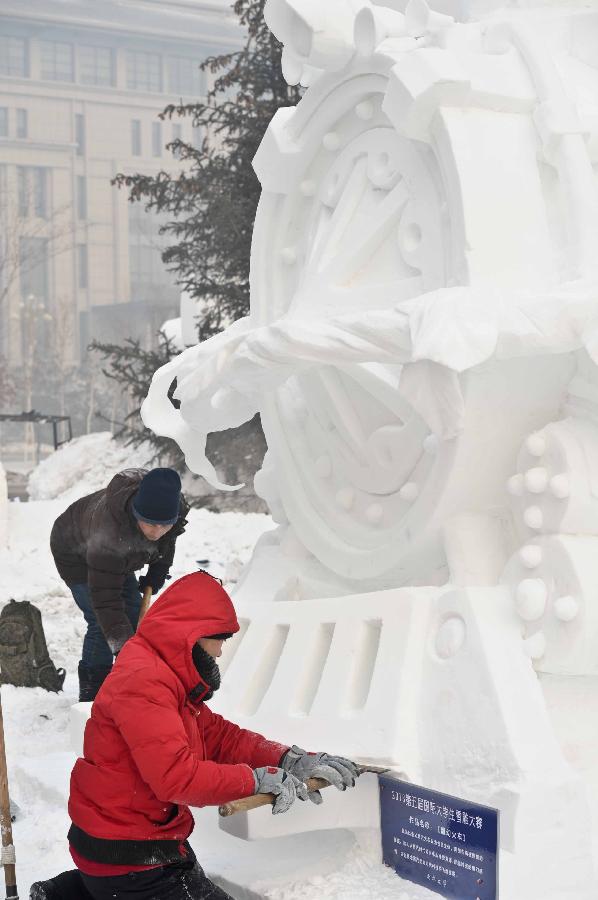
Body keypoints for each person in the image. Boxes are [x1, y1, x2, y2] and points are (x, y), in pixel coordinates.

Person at [29, 571, 360, 900]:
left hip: (134, 839)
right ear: (192, 635)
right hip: (128, 857)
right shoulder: (145, 683)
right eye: (219, 640)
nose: (219, 652)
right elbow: (176, 778)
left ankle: (70, 892)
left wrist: (288, 758)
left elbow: (220, 737)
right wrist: (254, 780)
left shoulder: (165, 675)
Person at [50, 467, 189, 701]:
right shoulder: (109, 533)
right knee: (100, 622)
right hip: (75, 552)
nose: (156, 532)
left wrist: (158, 571)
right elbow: (106, 601)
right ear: (136, 513)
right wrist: (124, 648)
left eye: (163, 525)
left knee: (134, 614)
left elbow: (167, 541)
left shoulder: (172, 510)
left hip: (118, 557)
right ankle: (93, 692)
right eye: (149, 523)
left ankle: (124, 685)